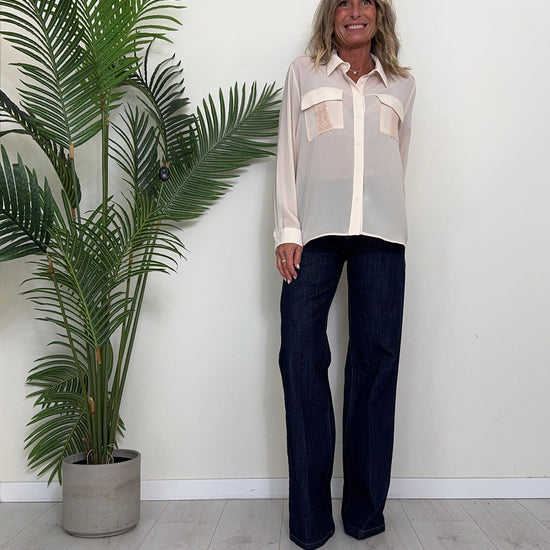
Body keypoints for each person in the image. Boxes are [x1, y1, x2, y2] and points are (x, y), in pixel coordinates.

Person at [273, 0, 415, 548]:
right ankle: (310, 520)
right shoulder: (302, 72)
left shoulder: (402, 85)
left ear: (379, 16)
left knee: (376, 365)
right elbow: (287, 152)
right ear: (331, 15)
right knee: (299, 358)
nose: (355, 10)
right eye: (344, 3)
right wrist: (287, 230)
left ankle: (364, 513)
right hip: (313, 233)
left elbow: (399, 157)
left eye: (366, 2)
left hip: (383, 235)